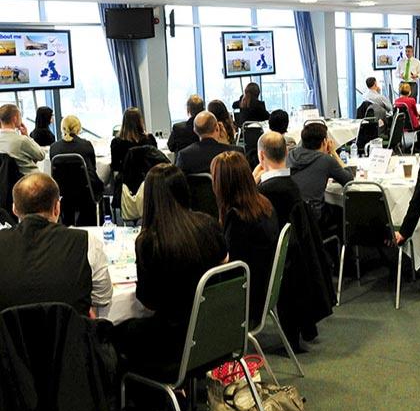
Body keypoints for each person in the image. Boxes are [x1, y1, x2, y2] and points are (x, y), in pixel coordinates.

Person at [112, 164, 227, 376]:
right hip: (215, 330)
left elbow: (149, 300)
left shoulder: (149, 242)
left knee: (114, 332)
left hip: (173, 341)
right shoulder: (208, 224)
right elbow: (225, 264)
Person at [255, 131, 334, 348]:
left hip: (274, 263)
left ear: (261, 158)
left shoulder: (264, 193)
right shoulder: (293, 187)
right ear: (287, 152)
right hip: (297, 263)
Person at [0, 172, 112, 315]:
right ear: (57, 207)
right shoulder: (86, 241)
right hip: (72, 335)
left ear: (15, 209)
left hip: (10, 336)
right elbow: (103, 298)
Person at [211, 150, 279, 325]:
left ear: (223, 184)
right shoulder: (264, 204)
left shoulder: (237, 217)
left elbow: (232, 264)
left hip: (245, 295)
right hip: (263, 288)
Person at [287, 121, 352, 220]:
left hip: (292, 215)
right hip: (314, 216)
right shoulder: (325, 160)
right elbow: (349, 180)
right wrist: (334, 153)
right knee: (342, 211)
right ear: (324, 142)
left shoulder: (290, 155)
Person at [50, 115, 104, 198]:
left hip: (63, 190)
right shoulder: (86, 145)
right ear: (78, 128)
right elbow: (93, 168)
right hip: (86, 190)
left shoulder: (54, 148)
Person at [175, 110, 244, 175]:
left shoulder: (184, 156)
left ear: (195, 130)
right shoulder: (235, 152)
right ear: (217, 128)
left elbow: (179, 183)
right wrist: (226, 143)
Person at [0, 103, 45, 174]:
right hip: (28, 180)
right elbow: (41, 155)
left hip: (5, 182)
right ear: (15, 119)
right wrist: (27, 136)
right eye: (20, 116)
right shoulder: (22, 140)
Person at [110, 107, 156, 173]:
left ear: (124, 122)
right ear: (140, 121)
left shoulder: (117, 142)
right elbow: (155, 159)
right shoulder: (149, 139)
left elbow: (115, 166)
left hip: (127, 179)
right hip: (148, 177)